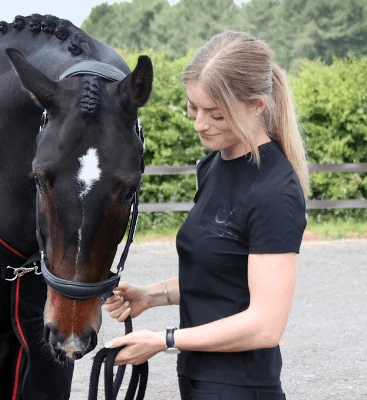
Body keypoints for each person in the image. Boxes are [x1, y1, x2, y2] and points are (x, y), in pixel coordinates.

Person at [102, 30, 310, 400]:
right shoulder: (213, 166)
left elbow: (265, 326)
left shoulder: (274, 192)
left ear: (257, 106)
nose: (199, 123)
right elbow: (223, 276)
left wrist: (164, 340)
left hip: (241, 387)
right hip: (198, 380)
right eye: (193, 107)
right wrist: (151, 295)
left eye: (216, 114)